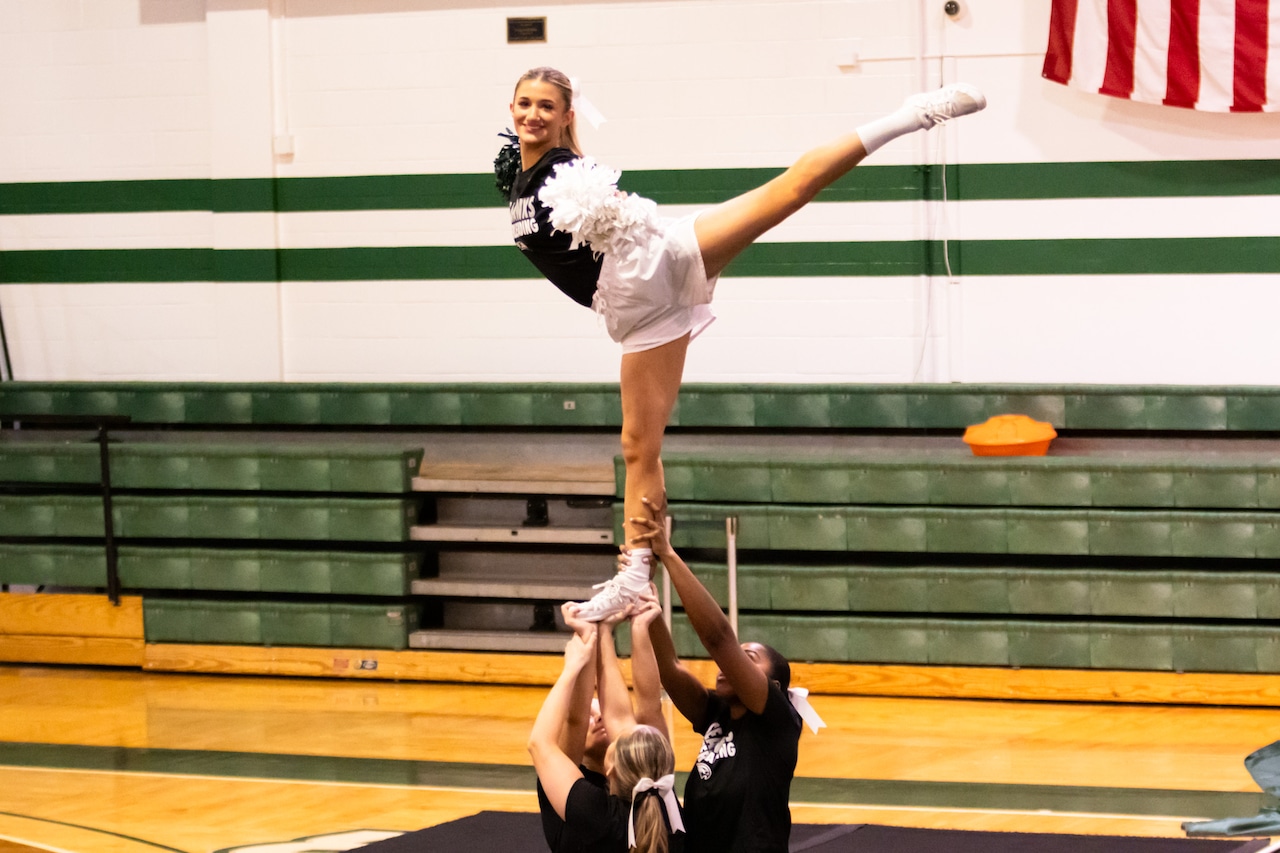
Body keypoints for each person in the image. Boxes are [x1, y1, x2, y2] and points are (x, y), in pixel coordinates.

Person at [502, 66, 987, 621]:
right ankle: (636, 573)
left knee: (792, 189)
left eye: (545, 106)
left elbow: (605, 207)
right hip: (634, 311)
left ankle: (915, 113)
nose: (531, 115)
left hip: (652, 268)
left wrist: (611, 212)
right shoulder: (518, 177)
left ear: (567, 116)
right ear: (509, 108)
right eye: (523, 103)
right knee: (639, 446)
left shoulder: (565, 170)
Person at [626, 496, 802, 853]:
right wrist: (646, 599)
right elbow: (672, 670)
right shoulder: (717, 717)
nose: (731, 664)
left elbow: (719, 639)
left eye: (748, 658)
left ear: (774, 687)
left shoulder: (777, 722)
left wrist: (668, 554)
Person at [528, 598, 685, 853]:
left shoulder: (593, 810)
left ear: (612, 765)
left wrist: (574, 665)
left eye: (598, 709)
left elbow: (552, 735)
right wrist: (606, 631)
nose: (599, 717)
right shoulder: (664, 803)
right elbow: (627, 715)